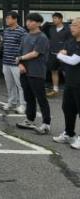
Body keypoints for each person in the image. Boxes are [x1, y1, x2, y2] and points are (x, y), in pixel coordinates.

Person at [16, 13, 51, 135]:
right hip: (24, 72)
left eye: (31, 21)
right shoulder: (25, 36)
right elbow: (19, 52)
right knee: (28, 97)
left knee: (41, 98)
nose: (28, 23)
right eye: (28, 21)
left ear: (39, 23)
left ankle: (46, 124)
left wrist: (20, 58)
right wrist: (20, 64)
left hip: (37, 72)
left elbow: (35, 53)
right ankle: (29, 120)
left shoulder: (42, 37)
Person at [53, 17, 80, 149]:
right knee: (68, 108)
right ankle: (69, 134)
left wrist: (61, 56)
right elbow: (64, 52)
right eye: (71, 25)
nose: (71, 28)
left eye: (74, 25)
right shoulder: (71, 41)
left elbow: (74, 60)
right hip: (70, 81)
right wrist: (64, 54)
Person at [1, 11, 27, 114]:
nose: (6, 20)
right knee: (9, 84)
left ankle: (23, 105)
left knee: (20, 85)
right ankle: (12, 102)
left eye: (8, 18)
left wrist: (21, 62)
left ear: (15, 19)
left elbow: (24, 47)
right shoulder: (6, 31)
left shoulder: (22, 32)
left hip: (17, 63)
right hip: (6, 62)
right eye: (6, 18)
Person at [47, 12, 72, 97]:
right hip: (53, 54)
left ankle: (70, 89)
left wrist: (66, 51)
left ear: (61, 19)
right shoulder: (51, 29)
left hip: (64, 55)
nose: (54, 20)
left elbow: (70, 41)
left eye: (55, 18)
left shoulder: (68, 29)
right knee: (54, 71)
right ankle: (55, 90)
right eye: (53, 18)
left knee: (66, 72)